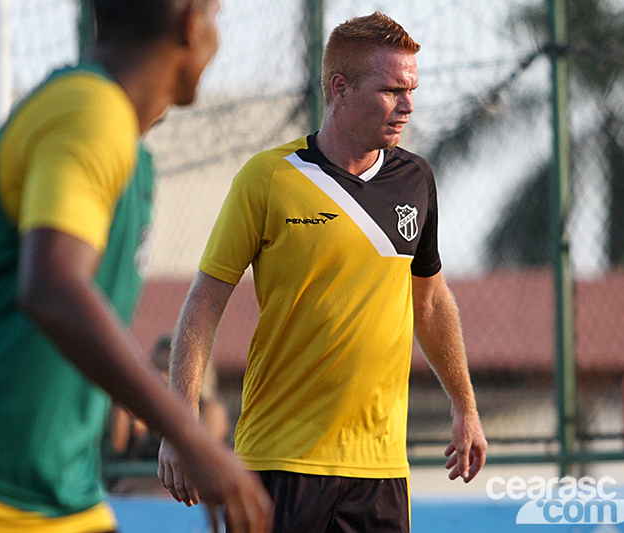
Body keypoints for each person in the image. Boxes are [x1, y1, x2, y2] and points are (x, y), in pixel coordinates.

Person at [0, 1, 272, 532]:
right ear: (191, 23)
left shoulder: (127, 150)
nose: (219, 39)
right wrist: (190, 437)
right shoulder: (90, 111)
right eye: (217, 17)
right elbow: (51, 286)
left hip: (52, 497)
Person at [158, 11, 487, 532]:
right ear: (340, 88)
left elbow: (430, 302)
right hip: (277, 462)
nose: (408, 105)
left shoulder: (415, 179)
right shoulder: (267, 178)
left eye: (412, 89)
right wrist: (181, 426)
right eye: (392, 90)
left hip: (380, 472)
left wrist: (464, 407)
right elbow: (203, 302)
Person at [106, 335, 229, 495]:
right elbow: (119, 451)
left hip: (179, 494)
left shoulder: (211, 410)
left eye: (170, 369)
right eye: (156, 369)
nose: (162, 376)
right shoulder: (147, 412)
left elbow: (200, 461)